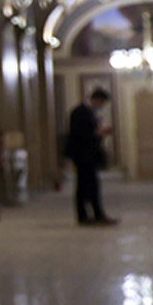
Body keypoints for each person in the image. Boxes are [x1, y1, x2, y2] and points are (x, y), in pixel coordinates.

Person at [66, 88, 117, 225]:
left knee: (90, 185)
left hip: (88, 155)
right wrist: (98, 133)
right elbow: (79, 135)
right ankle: (86, 215)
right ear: (96, 99)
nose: (101, 106)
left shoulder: (88, 112)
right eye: (101, 103)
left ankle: (95, 214)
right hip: (82, 155)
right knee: (84, 185)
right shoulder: (79, 112)